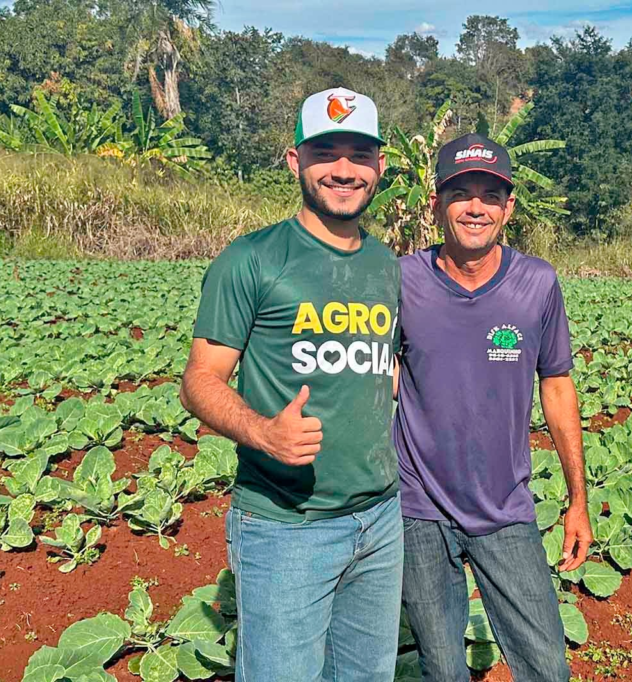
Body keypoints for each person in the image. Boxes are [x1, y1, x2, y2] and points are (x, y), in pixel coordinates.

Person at [180, 87, 403, 682]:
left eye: (359, 153)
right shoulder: (251, 259)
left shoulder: (387, 266)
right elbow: (200, 380)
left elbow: (389, 368)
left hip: (381, 518)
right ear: (294, 160)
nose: (343, 169)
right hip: (285, 525)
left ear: (379, 166)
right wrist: (262, 432)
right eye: (325, 151)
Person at [394, 133, 591, 681]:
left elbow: (556, 386)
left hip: (504, 506)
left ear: (508, 208)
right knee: (442, 667)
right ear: (435, 204)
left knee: (547, 664)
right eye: (460, 193)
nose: (474, 207)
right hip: (419, 509)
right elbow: (377, 378)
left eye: (488, 195)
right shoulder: (402, 281)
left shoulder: (537, 283)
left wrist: (578, 501)